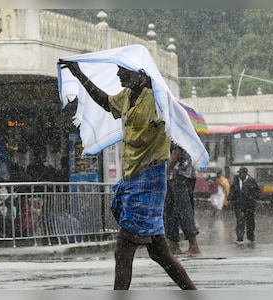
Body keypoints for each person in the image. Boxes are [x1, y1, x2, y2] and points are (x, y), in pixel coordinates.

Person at [59, 60, 196, 290]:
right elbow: (105, 102)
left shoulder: (156, 100)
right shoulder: (126, 96)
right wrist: (79, 74)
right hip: (132, 178)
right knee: (159, 253)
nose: (118, 75)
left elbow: (175, 119)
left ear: (141, 75)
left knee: (123, 248)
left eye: (123, 71)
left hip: (150, 178)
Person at [164, 142, 201, 257]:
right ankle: (173, 244)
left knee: (183, 209)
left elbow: (177, 151)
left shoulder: (173, 129)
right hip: (179, 174)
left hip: (179, 174)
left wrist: (168, 171)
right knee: (170, 210)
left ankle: (193, 244)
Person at [228, 167, 261, 245]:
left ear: (245, 173)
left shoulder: (251, 181)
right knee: (240, 221)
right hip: (239, 205)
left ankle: (251, 238)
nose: (240, 175)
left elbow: (257, 191)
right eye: (239, 173)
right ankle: (240, 238)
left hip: (250, 205)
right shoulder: (236, 181)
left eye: (242, 173)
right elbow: (232, 191)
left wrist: (258, 198)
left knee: (250, 222)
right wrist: (230, 199)